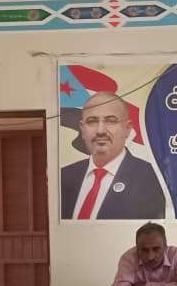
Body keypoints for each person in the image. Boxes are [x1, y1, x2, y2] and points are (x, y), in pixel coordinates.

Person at [60, 92, 166, 221]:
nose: (100, 131)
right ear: (82, 129)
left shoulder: (153, 178)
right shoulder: (63, 176)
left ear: (127, 128)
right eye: (92, 121)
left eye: (110, 121)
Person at [110, 222, 177, 286]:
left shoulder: (175, 255)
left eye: (156, 249)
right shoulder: (129, 258)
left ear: (165, 246)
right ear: (137, 248)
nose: (150, 257)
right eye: (144, 250)